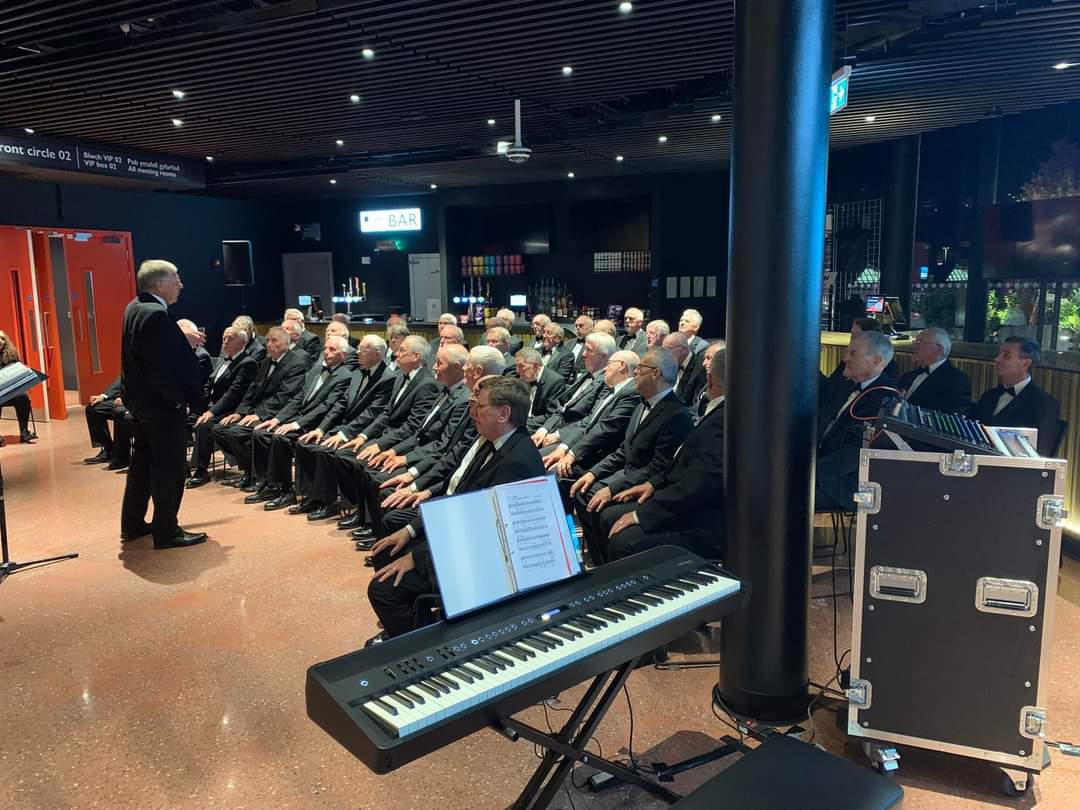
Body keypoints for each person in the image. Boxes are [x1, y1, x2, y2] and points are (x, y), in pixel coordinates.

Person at [365, 376, 545, 641]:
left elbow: (484, 533)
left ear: (503, 413)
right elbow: (457, 495)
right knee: (387, 551)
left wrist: (417, 557)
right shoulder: (494, 442)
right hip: (465, 536)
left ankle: (424, 650)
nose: (472, 412)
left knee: (382, 589)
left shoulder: (517, 461)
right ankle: (411, 626)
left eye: (479, 406)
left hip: (486, 560)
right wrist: (411, 531)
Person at [600, 347, 728, 561]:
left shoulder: (720, 418)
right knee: (608, 516)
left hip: (704, 521)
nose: (635, 374)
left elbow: (699, 483)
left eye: (640, 369)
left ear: (710, 379)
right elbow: (680, 463)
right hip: (678, 494)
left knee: (623, 540)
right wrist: (652, 485)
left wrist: (643, 514)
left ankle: (634, 591)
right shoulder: (718, 412)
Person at [568, 347, 693, 564]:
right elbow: (622, 452)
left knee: (602, 508)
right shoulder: (641, 404)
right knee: (581, 489)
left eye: (641, 368)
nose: (635, 373)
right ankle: (600, 561)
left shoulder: (676, 415)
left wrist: (612, 488)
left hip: (649, 485)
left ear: (655, 373)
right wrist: (593, 474)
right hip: (627, 475)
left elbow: (659, 468)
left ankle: (612, 566)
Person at [119, 260, 208, 549]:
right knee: (169, 469)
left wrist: (179, 337)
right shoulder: (157, 314)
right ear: (159, 284)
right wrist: (178, 400)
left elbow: (146, 352)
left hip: (141, 404)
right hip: (161, 407)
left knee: (142, 463)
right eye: (176, 279)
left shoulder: (135, 307)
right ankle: (167, 530)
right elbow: (163, 366)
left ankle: (132, 524)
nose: (181, 284)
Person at [291, 334, 397, 522]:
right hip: (347, 426)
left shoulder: (387, 378)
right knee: (305, 444)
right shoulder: (357, 371)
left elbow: (372, 414)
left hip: (365, 431)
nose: (357, 352)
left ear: (377, 354)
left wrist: (344, 434)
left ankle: (335, 502)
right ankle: (313, 497)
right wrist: (322, 429)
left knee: (327, 452)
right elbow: (341, 405)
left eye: (363, 349)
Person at [244, 335, 353, 510]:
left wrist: (296, 425)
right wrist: (277, 419)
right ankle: (271, 484)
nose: (326, 352)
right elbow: (298, 397)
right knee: (260, 433)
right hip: (301, 418)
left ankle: (289, 491)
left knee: (281, 439)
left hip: (317, 424)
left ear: (343, 355)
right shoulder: (316, 370)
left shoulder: (345, 376)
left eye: (332, 349)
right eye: (326, 348)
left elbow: (326, 406)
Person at [211, 326, 308, 489]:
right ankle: (250, 471)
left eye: (274, 340)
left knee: (238, 432)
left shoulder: (296, 363)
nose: (269, 344)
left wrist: (259, 415)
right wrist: (240, 412)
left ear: (286, 343)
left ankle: (261, 476)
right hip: (256, 411)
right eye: (268, 340)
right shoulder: (264, 363)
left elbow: (285, 396)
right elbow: (251, 391)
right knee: (219, 429)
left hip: (278, 413)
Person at [815, 331, 899, 512]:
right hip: (822, 471)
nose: (845, 358)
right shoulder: (846, 385)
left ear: (876, 361)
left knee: (782, 496)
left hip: (843, 486)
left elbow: (856, 452)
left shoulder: (885, 399)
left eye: (852, 353)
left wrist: (812, 472)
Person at [185, 326, 258, 488]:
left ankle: (201, 471)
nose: (224, 342)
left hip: (228, 409)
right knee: (179, 418)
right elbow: (208, 386)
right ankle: (181, 465)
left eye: (230, 338)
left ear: (242, 342)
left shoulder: (247, 363)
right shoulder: (222, 359)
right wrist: (193, 405)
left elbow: (233, 394)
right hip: (211, 406)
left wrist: (210, 412)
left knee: (204, 426)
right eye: (224, 338)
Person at [973, 336, 1061, 456]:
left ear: (1025, 363)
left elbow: (1040, 452)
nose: (997, 359)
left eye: (1006, 355)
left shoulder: (1044, 403)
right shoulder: (989, 396)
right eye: (999, 354)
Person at [530, 332, 615, 439]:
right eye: (584, 349)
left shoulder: (607, 383)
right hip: (554, 426)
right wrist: (544, 429)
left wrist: (558, 435)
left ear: (603, 357)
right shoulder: (584, 375)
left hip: (572, 437)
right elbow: (562, 408)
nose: (583, 355)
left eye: (588, 350)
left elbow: (590, 420)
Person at [897, 327, 971, 414]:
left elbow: (950, 418)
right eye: (915, 341)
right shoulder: (907, 377)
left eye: (920, 342)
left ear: (939, 349)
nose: (914, 346)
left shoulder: (956, 381)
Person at [84, 375, 131, 468]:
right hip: (125, 400)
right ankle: (108, 449)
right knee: (94, 408)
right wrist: (103, 396)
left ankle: (122, 455)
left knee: (119, 411)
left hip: (142, 401)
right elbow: (121, 379)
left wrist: (128, 400)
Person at [0, 331, 37, 444]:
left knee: (23, 397)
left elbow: (18, 371)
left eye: (2, 339)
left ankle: (24, 432)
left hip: (10, 388)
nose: (0, 341)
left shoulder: (12, 354)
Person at [514, 347, 567, 424]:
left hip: (536, 426)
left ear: (535, 366)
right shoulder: (523, 378)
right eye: (516, 366)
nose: (517, 371)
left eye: (521, 366)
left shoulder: (555, 382)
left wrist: (524, 424)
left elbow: (551, 415)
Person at [663, 332, 704, 406]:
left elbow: (695, 406)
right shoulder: (669, 364)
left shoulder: (701, 368)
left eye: (668, 349)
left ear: (683, 350)